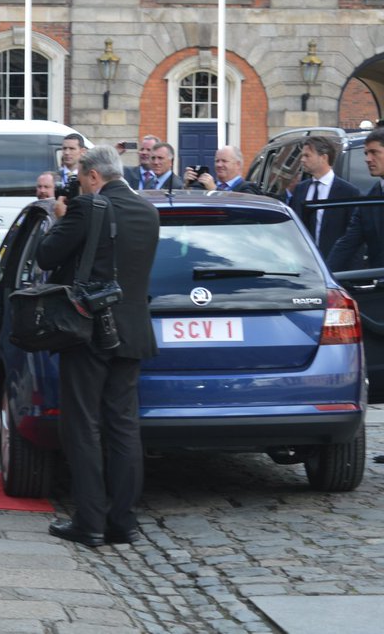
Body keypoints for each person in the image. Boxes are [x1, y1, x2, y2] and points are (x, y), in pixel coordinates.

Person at [35, 145, 159, 547]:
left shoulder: (89, 209)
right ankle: (124, 522)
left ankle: (89, 521)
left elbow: (47, 255)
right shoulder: (148, 211)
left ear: (92, 176)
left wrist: (60, 219)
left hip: (88, 329)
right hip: (133, 331)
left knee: (83, 425)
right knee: (124, 426)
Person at [289, 135, 360, 260]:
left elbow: (353, 236)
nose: (302, 160)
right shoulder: (300, 189)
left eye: (307, 155)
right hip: (305, 263)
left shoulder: (348, 192)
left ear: (324, 157)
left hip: (335, 265)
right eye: (302, 155)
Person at [328, 129, 384, 272]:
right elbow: (347, 244)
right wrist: (325, 276)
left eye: (374, 152)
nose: (367, 159)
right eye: (366, 153)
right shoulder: (369, 200)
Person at [183, 145, 260, 193]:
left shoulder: (249, 188)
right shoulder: (204, 186)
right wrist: (186, 186)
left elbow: (241, 209)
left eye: (224, 161)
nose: (219, 165)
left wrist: (215, 190)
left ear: (238, 164)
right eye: (217, 161)